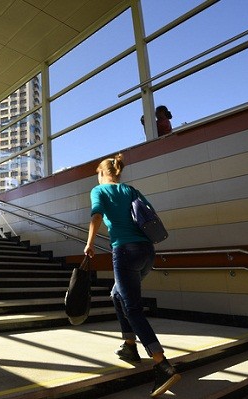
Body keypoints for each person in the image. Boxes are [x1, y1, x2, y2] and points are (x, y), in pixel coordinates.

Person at [84, 153, 180, 397]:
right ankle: (129, 346)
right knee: (117, 294)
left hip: (125, 252)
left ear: (103, 173)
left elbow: (96, 216)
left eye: (98, 174)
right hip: (147, 252)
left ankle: (162, 365)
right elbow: (149, 215)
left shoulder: (99, 191)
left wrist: (90, 243)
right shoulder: (130, 189)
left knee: (132, 308)